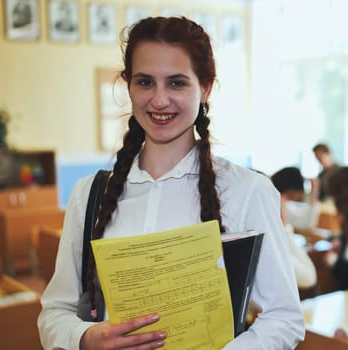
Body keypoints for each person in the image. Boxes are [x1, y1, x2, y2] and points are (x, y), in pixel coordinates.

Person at [38, 17, 304, 350]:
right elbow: (54, 313)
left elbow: (284, 317)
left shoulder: (247, 190)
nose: (159, 100)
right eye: (145, 82)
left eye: (177, 83)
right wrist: (87, 338)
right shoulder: (89, 194)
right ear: (128, 85)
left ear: (205, 87)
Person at [270, 167, 318, 290]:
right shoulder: (273, 205)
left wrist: (314, 194)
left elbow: (305, 223)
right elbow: (309, 278)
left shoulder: (282, 203)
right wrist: (285, 225)